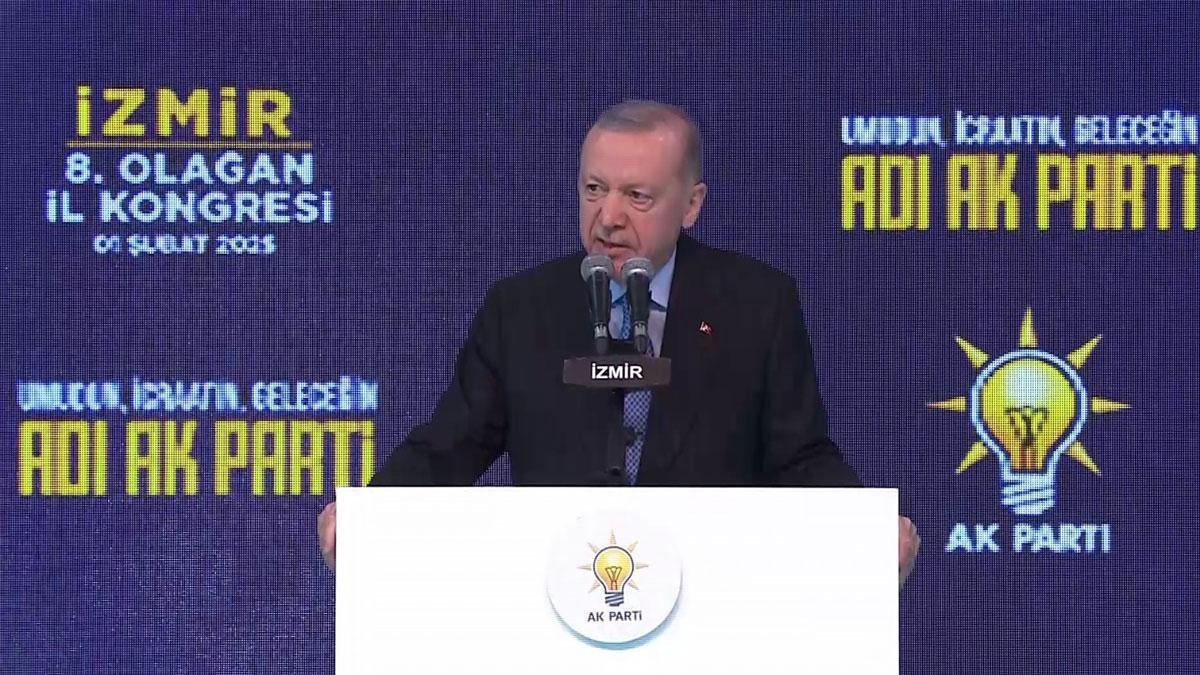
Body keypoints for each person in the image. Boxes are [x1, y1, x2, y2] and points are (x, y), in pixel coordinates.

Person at [318, 100, 921, 586]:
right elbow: (449, 447)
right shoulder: (522, 309)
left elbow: (799, 457)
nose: (607, 216)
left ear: (691, 205)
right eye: (593, 189)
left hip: (711, 601)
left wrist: (864, 529)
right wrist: (371, 516)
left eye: (637, 196)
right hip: (555, 600)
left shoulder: (756, 305)